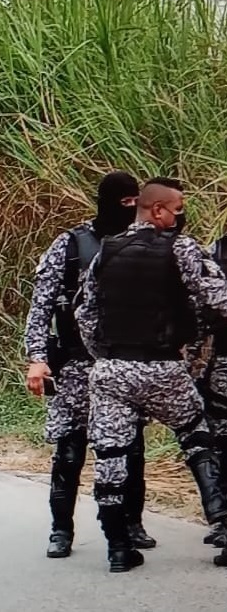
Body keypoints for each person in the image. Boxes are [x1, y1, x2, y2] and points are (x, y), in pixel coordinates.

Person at [76, 177, 227, 573]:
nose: (181, 216)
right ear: (157, 210)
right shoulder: (181, 248)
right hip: (163, 367)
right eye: (178, 210)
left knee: (110, 455)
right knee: (198, 438)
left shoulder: (105, 251)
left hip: (111, 371)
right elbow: (216, 298)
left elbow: (85, 315)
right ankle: (223, 525)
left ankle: (118, 549)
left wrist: (106, 356)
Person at [24, 171, 155, 560]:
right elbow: (41, 305)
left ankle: (131, 524)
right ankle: (61, 530)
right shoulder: (71, 245)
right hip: (75, 368)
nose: (132, 210)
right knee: (70, 451)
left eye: (137, 202)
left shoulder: (143, 245)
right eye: (125, 203)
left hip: (123, 366)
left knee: (129, 449)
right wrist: (37, 358)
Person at [188, 233, 227, 549]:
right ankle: (224, 523)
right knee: (220, 441)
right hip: (221, 362)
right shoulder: (212, 254)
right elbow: (198, 311)